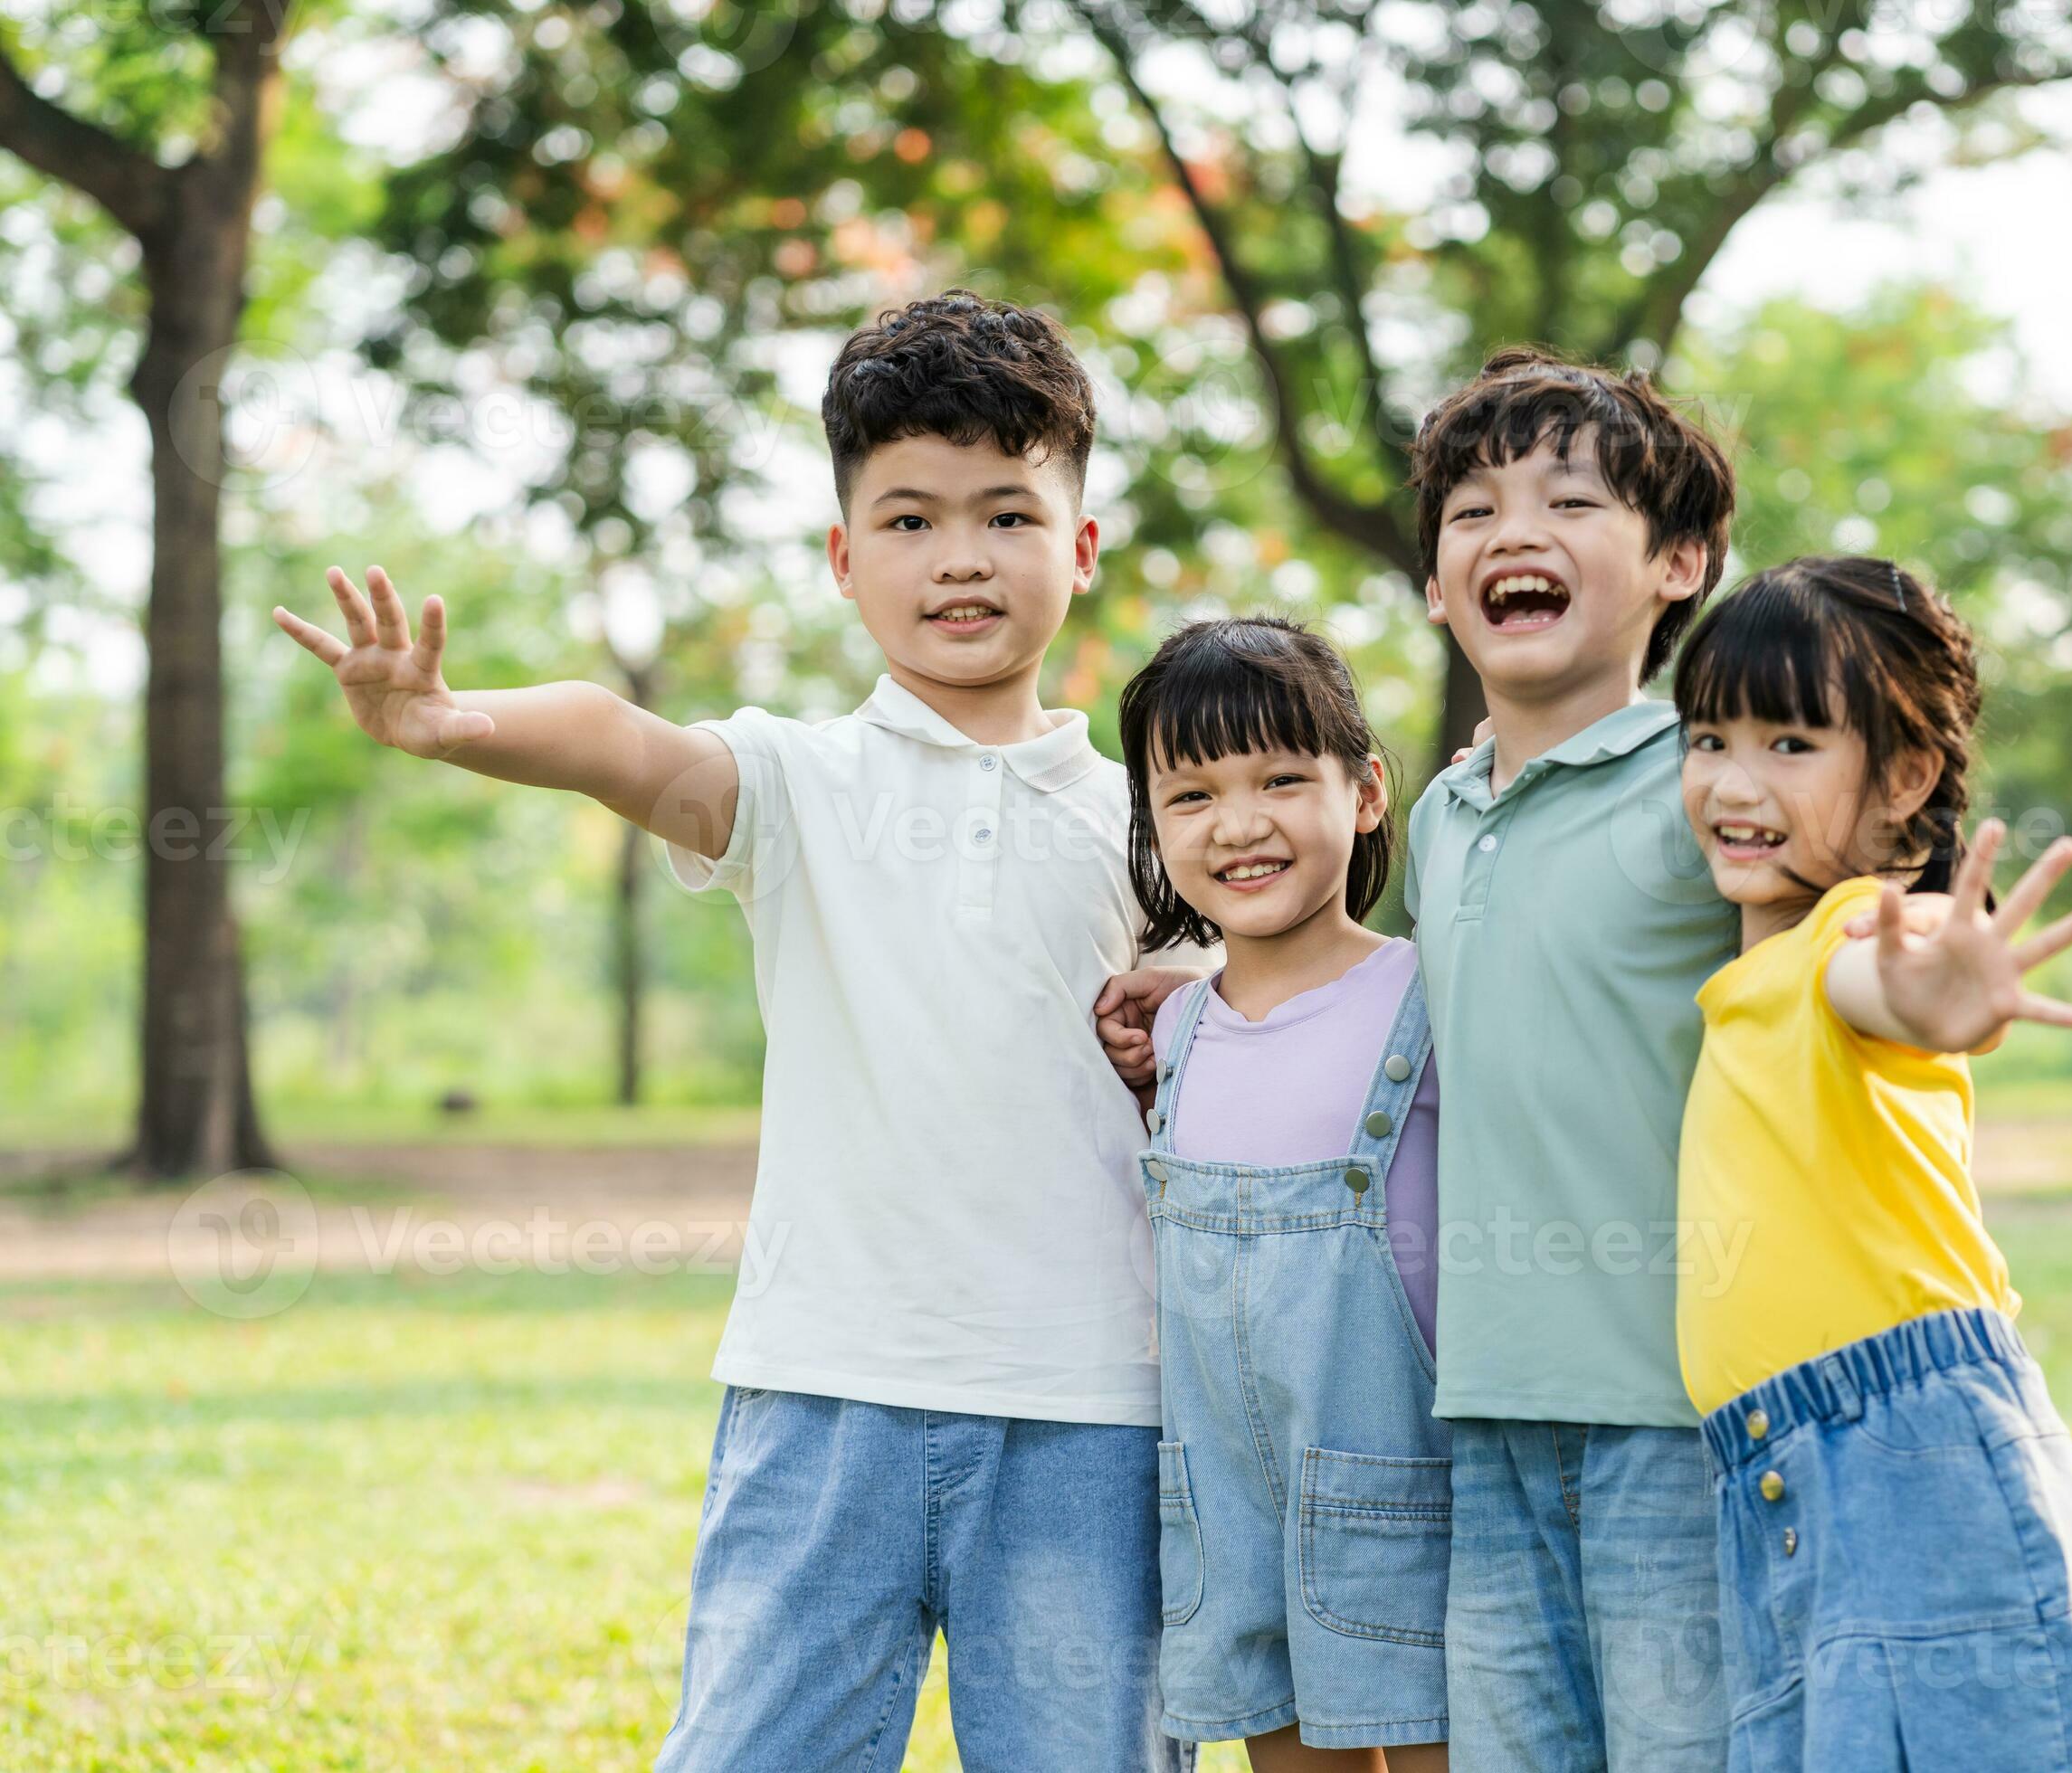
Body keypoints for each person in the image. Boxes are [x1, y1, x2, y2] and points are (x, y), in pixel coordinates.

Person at [275, 290, 1190, 1772]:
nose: (959, 556)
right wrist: (453, 723)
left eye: (1007, 514)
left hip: (1091, 1409)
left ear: (1080, 548)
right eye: (907, 520)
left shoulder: (1158, 820)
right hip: (826, 1401)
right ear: (844, 561)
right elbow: (623, 740)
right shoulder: (794, 781)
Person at [1671, 556, 2072, 1771]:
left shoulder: (1851, 940)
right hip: (1787, 1477)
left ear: (1904, 778)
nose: (1736, 784)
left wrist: (1947, 986)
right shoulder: (1752, 978)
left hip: (1906, 1463)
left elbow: (1896, 974)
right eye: (1708, 739)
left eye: (1791, 743)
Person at [1401, 346, 1742, 1768]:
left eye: (1569, 501)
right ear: (1433, 585)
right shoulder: (1435, 817)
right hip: (1484, 1414)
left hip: (1678, 1414)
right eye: (1472, 512)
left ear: (1679, 561)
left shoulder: (1708, 787)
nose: (1513, 533)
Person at [1116, 616, 1450, 1771]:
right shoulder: (1177, 1026)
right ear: (1153, 827)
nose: (1240, 822)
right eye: (1192, 793)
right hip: (1227, 1505)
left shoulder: (1429, 994)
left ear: (1363, 794)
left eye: (1281, 778)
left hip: (1403, 1494)